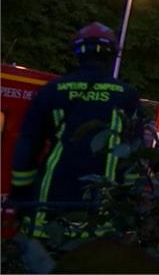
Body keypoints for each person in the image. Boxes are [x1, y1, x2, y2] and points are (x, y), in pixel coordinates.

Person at [10, 22, 141, 237]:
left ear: (78, 53)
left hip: (49, 209)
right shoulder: (127, 95)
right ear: (112, 55)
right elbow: (133, 155)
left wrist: (21, 194)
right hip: (101, 219)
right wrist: (130, 201)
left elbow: (27, 146)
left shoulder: (52, 91)